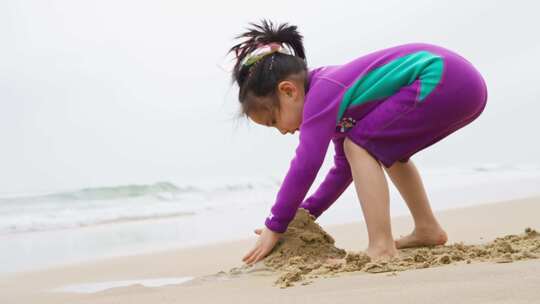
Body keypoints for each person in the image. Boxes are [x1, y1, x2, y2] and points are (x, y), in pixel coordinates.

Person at [228, 20, 487, 265]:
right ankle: (427, 227)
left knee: (359, 145)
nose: (282, 131)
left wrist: (276, 224)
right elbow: (344, 170)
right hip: (459, 82)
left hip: (442, 77)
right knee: (379, 149)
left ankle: (381, 246)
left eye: (274, 121)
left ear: (289, 91)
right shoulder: (336, 102)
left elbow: (305, 164)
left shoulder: (321, 94)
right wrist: (302, 218)